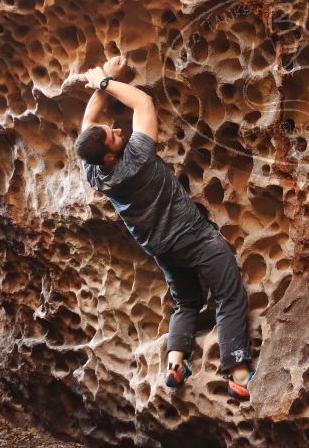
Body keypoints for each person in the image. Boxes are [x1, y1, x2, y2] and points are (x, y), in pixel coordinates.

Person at [74, 56, 254, 399]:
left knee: (187, 303)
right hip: (195, 237)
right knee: (229, 296)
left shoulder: (95, 172)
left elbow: (88, 121)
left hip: (163, 249)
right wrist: (105, 83)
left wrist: (105, 78)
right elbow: (143, 102)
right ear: (111, 155)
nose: (117, 130)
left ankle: (175, 362)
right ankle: (239, 375)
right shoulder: (137, 157)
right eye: (112, 136)